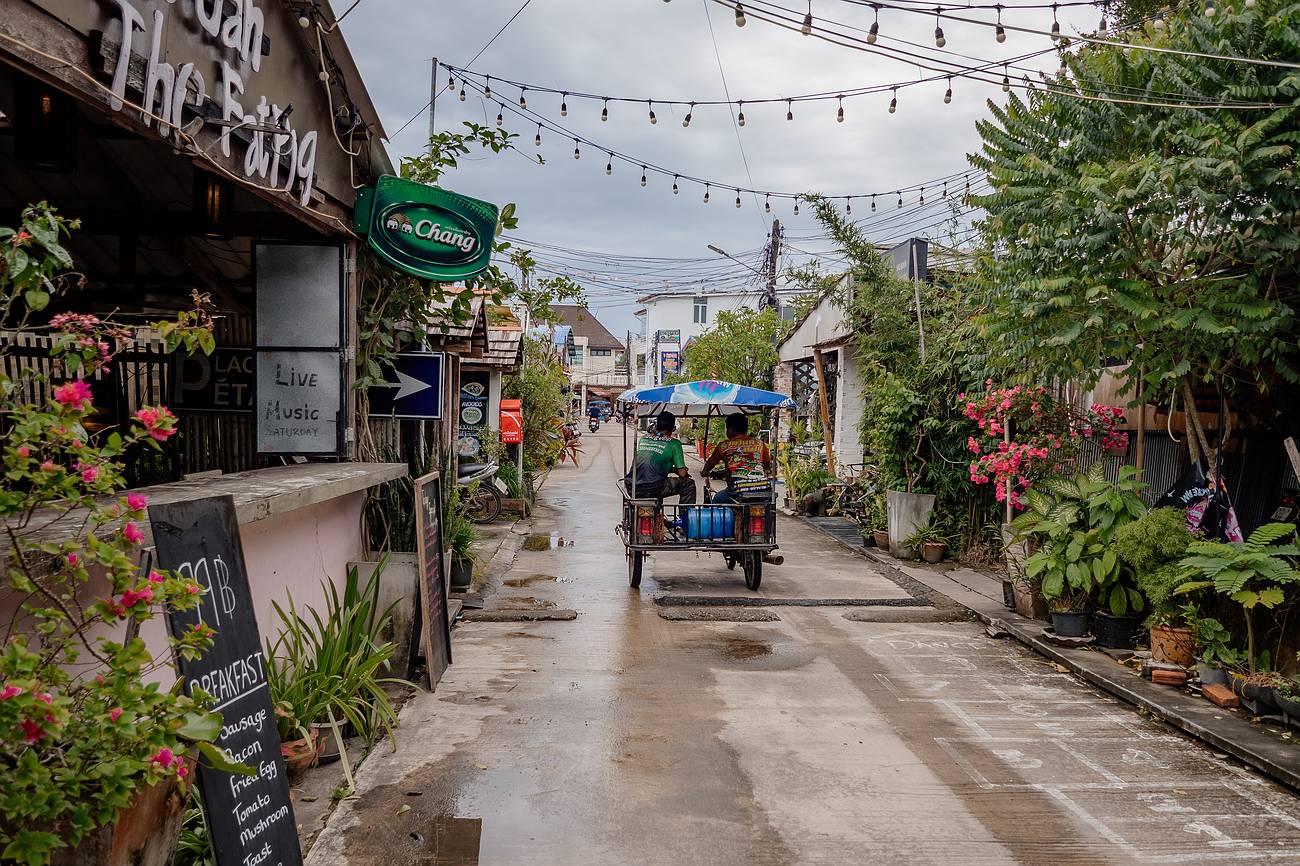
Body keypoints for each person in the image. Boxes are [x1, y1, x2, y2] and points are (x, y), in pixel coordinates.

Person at [625, 411, 696, 503]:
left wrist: (674, 470)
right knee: (689, 484)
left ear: (656, 426)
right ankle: (685, 517)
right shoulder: (674, 444)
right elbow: (682, 474)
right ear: (673, 428)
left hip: (632, 487)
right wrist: (682, 472)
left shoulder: (643, 439)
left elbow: (652, 465)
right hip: (653, 488)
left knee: (659, 479)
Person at [702, 413, 774, 504]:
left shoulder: (724, 446)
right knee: (768, 511)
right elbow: (767, 466)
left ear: (731, 429)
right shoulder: (760, 444)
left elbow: (710, 463)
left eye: (727, 428)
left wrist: (705, 472)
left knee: (717, 500)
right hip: (763, 490)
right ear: (746, 429)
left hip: (737, 490)